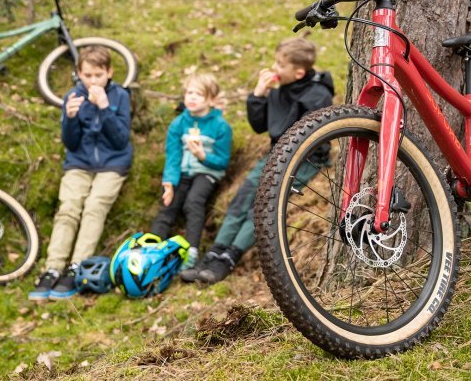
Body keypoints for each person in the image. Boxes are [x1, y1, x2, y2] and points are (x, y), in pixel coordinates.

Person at [181, 37, 334, 284]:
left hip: (304, 160)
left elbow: (312, 138)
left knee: (263, 206)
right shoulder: (279, 90)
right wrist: (258, 95)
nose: (274, 68)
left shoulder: (317, 95)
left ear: (298, 73)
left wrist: (282, 167)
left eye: (280, 65)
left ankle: (228, 258)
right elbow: (259, 125)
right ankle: (214, 253)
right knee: (242, 199)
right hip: (276, 154)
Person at [29, 45, 132, 300]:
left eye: (98, 75)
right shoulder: (72, 97)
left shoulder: (120, 96)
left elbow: (120, 140)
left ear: (109, 72)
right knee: (68, 207)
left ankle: (77, 266)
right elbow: (71, 143)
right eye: (88, 75)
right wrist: (70, 118)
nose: (93, 81)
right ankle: (53, 268)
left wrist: (105, 108)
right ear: (79, 74)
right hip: (79, 163)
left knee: (95, 205)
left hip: (113, 163)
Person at [150, 73, 232, 270]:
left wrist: (204, 156)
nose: (192, 97)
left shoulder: (221, 126)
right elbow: (173, 156)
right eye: (189, 93)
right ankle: (151, 250)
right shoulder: (179, 124)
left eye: (199, 94)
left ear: (211, 99)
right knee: (168, 205)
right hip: (183, 173)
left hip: (207, 173)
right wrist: (169, 183)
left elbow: (222, 162)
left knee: (193, 202)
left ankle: (192, 250)